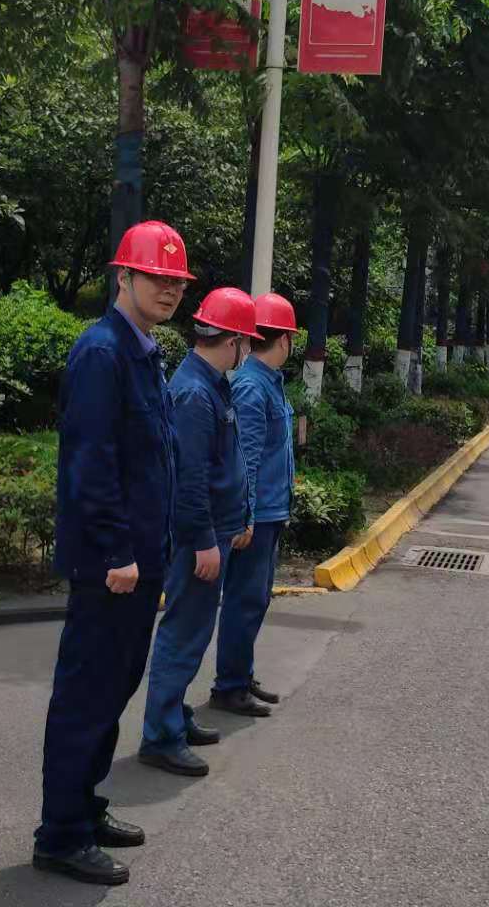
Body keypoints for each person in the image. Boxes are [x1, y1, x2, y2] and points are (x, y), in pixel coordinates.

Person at [33, 220, 190, 887]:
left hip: (140, 560)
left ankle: (85, 806)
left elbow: (151, 461)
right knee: (87, 695)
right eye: (156, 276)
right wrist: (117, 550)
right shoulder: (101, 353)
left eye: (176, 281)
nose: (168, 289)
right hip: (113, 565)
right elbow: (91, 465)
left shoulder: (144, 350)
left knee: (114, 689)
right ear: (122, 276)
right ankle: (60, 835)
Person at [138, 287, 259, 779]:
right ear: (228, 340)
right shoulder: (193, 392)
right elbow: (189, 479)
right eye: (244, 343)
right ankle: (161, 734)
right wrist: (205, 540)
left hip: (214, 531)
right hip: (198, 539)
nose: (246, 352)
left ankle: (174, 714)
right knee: (183, 632)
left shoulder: (211, 383)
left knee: (194, 630)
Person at [214, 292, 300, 718]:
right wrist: (245, 515)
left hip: (271, 510)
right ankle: (229, 685)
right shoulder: (251, 386)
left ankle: (241, 675)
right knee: (244, 600)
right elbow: (245, 457)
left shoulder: (266, 382)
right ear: (284, 339)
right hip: (257, 515)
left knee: (256, 599)